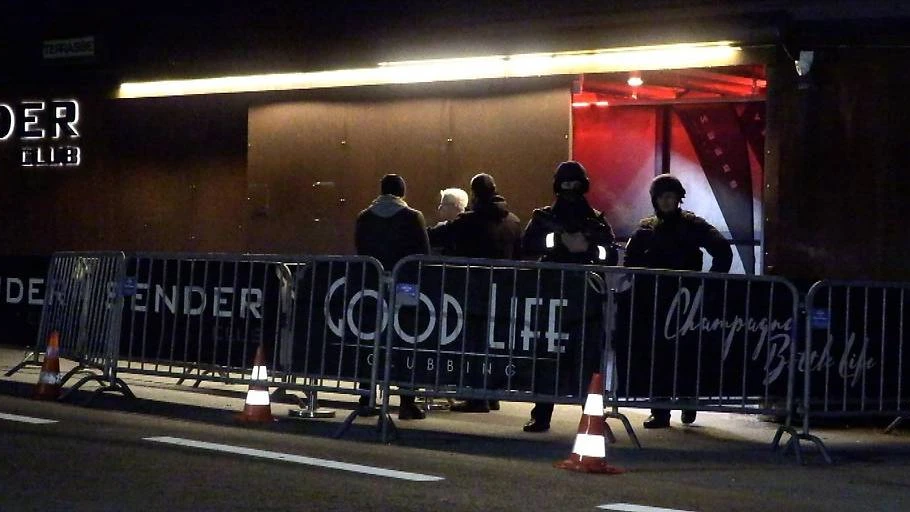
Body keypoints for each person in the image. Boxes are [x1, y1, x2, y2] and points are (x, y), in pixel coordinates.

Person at [623, 173, 733, 429]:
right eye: (663, 197)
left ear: (678, 199)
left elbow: (721, 250)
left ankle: (688, 401)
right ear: (655, 200)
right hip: (656, 301)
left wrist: (710, 283)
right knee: (658, 355)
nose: (667, 202)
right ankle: (660, 410)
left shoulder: (692, 225)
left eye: (671, 197)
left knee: (687, 353)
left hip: (687, 302)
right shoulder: (646, 228)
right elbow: (630, 262)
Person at [520, 161, 616, 432]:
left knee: (588, 360)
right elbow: (528, 244)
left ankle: (592, 418)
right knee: (546, 356)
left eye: (575, 183)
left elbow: (610, 255)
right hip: (551, 297)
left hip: (586, 300)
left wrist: (588, 246)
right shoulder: (543, 217)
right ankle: (541, 413)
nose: (570, 188)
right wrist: (559, 242)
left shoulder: (596, 220)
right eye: (565, 183)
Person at [428, 173, 522, 412]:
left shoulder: (469, 221)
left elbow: (434, 237)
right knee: (494, 344)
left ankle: (476, 397)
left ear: (474, 194)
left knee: (473, 343)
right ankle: (491, 394)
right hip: (504, 291)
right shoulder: (513, 221)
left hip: (474, 289)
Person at [354, 173, 430, 420]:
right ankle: (407, 401)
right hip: (405, 286)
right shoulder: (412, 217)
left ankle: (367, 397)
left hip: (372, 287)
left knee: (370, 339)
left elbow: (359, 251)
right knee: (406, 339)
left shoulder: (364, 218)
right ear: (402, 193)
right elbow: (423, 254)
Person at [430, 188, 469, 255]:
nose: (439, 207)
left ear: (455, 205)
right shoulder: (471, 224)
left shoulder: (446, 228)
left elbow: (428, 236)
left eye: (443, 204)